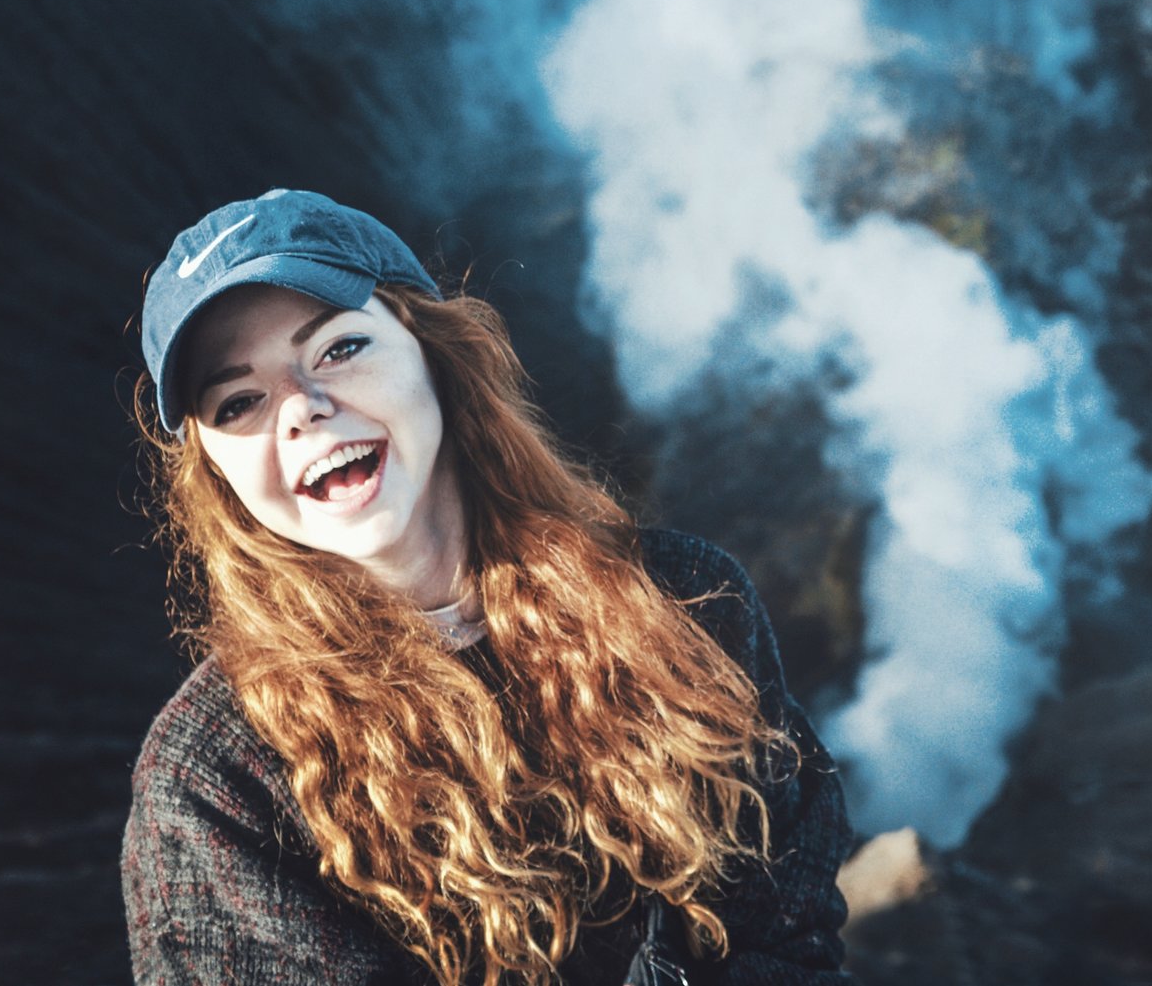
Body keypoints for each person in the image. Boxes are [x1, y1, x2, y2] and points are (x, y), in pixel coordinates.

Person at [121, 188, 854, 986]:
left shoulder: (686, 600)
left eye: (337, 348)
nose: (302, 408)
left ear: (433, 349)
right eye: (239, 401)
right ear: (218, 473)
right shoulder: (219, 776)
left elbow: (791, 936)